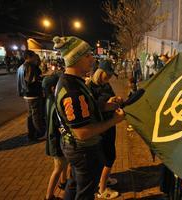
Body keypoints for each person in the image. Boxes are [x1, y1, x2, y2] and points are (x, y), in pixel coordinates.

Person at [53, 36, 125, 200]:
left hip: (74, 147)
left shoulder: (75, 82)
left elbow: (87, 108)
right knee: (85, 192)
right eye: (87, 55)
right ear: (75, 59)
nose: (92, 59)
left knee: (74, 184)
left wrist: (106, 106)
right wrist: (114, 120)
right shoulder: (72, 90)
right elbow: (83, 132)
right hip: (83, 149)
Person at [88, 59, 121, 199]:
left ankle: (104, 179)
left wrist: (116, 99)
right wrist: (106, 104)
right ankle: (102, 190)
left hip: (110, 123)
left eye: (110, 76)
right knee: (109, 157)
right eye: (107, 75)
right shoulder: (89, 86)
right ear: (99, 72)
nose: (109, 78)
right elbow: (92, 108)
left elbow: (110, 97)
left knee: (108, 154)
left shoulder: (106, 85)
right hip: (101, 127)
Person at [42, 73, 67, 200]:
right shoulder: (55, 103)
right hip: (56, 140)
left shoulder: (49, 99)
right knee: (58, 168)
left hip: (54, 139)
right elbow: (58, 125)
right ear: (53, 88)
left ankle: (63, 183)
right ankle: (49, 196)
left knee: (63, 163)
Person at [17, 50, 45, 142]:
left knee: (30, 115)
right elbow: (32, 81)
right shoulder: (30, 66)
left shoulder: (21, 67)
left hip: (26, 95)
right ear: (29, 56)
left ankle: (31, 135)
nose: (35, 58)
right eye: (33, 56)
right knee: (36, 115)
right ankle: (40, 133)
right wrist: (42, 80)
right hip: (33, 94)